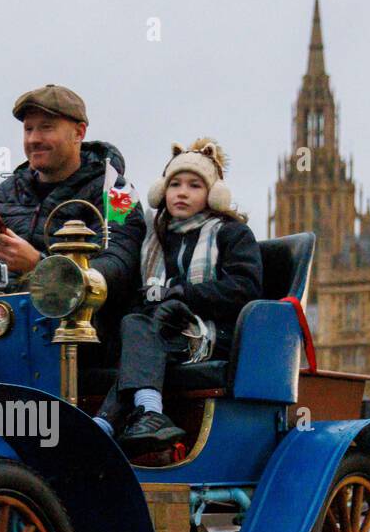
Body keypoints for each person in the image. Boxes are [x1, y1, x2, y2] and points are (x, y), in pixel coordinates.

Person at [94, 138, 263, 456]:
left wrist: (185, 296)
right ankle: (147, 413)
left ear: (213, 195)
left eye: (194, 185)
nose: (182, 192)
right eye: (175, 184)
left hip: (211, 333)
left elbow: (245, 288)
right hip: (158, 332)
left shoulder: (232, 234)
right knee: (134, 322)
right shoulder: (154, 238)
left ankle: (110, 421)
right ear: (162, 191)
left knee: (149, 323)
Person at [0, 84, 146, 336]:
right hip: (4, 328)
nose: (33, 139)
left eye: (46, 128)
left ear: (78, 133)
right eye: (28, 129)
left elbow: (117, 267)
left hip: (79, 336)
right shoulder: (7, 191)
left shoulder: (116, 192)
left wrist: (39, 267)